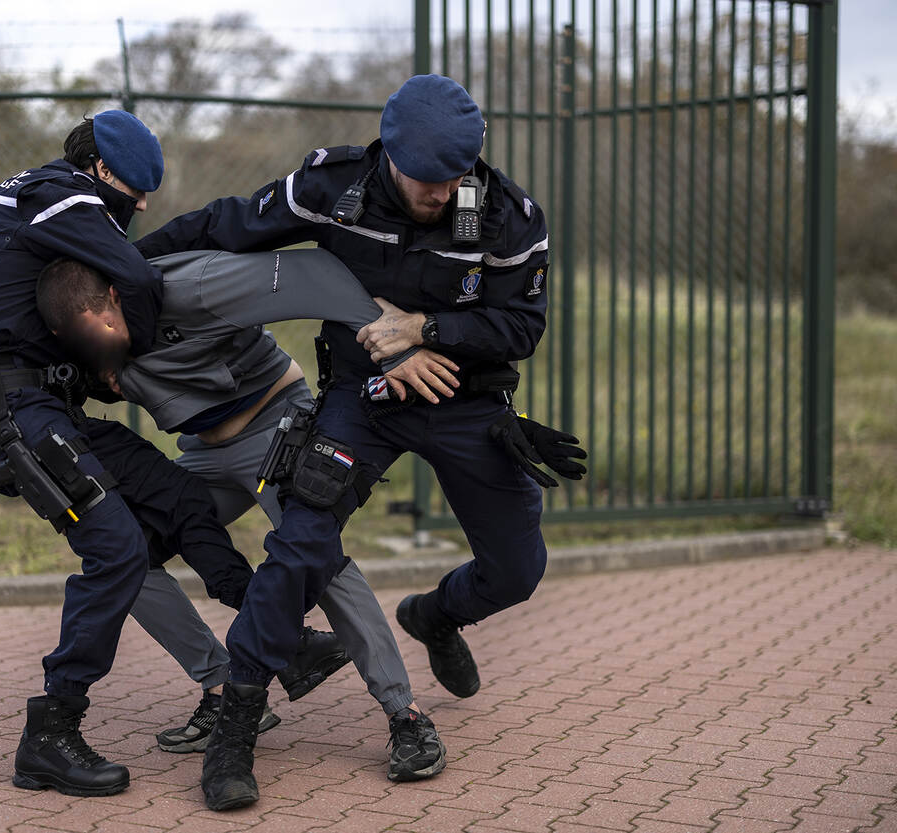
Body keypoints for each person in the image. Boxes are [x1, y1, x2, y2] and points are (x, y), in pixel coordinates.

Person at [136, 74, 587, 810]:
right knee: (301, 541)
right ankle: (239, 719)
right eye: (427, 179)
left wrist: (426, 329)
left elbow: (523, 328)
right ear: (390, 155)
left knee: (517, 569)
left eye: (455, 178)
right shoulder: (331, 187)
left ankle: (437, 614)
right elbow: (225, 224)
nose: (442, 193)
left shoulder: (507, 218)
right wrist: (123, 268)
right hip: (362, 396)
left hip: (463, 399)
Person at [0, 111, 342, 799]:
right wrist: (130, 348)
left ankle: (282, 640)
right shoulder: (60, 194)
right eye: (130, 202)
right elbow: (134, 274)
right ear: (103, 172)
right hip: (11, 415)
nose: (131, 216)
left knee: (184, 498)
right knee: (118, 549)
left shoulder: (44, 201)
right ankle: (49, 733)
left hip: (44, 408)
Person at [35, 249, 449, 783]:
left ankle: (404, 713)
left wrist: (392, 348)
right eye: (89, 337)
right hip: (206, 450)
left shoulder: (196, 286)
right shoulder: (84, 345)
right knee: (123, 552)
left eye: (106, 324)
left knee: (318, 558)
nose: (104, 338)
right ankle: (221, 685)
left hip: (279, 423)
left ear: (115, 297)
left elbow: (310, 276)